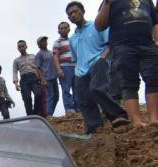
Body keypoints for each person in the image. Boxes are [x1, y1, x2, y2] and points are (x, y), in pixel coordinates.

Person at [66, 1, 129, 133]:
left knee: (97, 89)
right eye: (70, 14)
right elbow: (76, 57)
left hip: (98, 63)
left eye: (75, 11)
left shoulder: (96, 26)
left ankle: (118, 116)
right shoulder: (72, 38)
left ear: (82, 11)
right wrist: (78, 69)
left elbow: (109, 43)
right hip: (80, 71)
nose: (73, 14)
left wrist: (103, 59)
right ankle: (95, 128)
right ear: (69, 18)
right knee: (84, 100)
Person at [95, 0, 158, 126]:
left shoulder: (146, 1)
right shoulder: (109, 2)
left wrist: (156, 41)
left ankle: (154, 119)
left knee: (154, 79)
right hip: (122, 46)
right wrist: (107, 3)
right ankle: (137, 121)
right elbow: (99, 25)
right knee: (129, 83)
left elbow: (155, 22)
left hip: (148, 45)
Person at [13, 40, 44, 116]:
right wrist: (16, 84)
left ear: (26, 46)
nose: (21, 48)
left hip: (34, 78)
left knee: (38, 94)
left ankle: (36, 113)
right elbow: (15, 72)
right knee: (27, 98)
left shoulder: (33, 56)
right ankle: (30, 115)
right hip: (24, 79)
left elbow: (39, 67)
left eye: (22, 46)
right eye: (19, 47)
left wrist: (41, 78)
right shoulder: (16, 60)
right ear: (18, 48)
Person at [53, 21, 78, 113]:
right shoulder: (57, 42)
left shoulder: (73, 39)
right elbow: (55, 56)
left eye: (65, 27)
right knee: (66, 89)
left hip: (76, 66)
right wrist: (59, 69)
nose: (63, 29)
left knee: (77, 88)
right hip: (65, 67)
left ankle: (78, 108)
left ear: (69, 29)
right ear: (59, 31)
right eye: (61, 28)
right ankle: (69, 109)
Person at [35, 36, 60, 116]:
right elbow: (38, 68)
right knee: (50, 96)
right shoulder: (39, 54)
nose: (45, 42)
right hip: (47, 78)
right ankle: (49, 114)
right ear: (39, 44)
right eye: (42, 41)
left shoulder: (51, 52)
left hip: (54, 77)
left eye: (45, 40)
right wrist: (42, 79)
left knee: (56, 96)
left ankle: (50, 113)